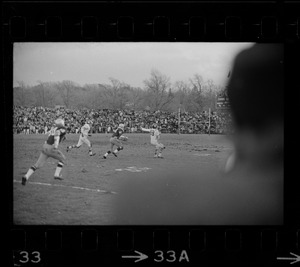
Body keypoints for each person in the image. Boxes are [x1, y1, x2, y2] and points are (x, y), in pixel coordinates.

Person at [114, 44, 284, 225]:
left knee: (160, 147)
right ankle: (157, 153)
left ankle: (157, 153)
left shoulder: (138, 196)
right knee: (159, 146)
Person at [22, 118, 67, 185]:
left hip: (45, 146)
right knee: (63, 159)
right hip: (51, 147)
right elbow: (57, 134)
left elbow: (50, 135)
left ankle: (26, 176)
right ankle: (56, 174)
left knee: (37, 165)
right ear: (62, 124)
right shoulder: (62, 128)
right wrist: (56, 144)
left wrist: (62, 138)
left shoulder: (54, 128)